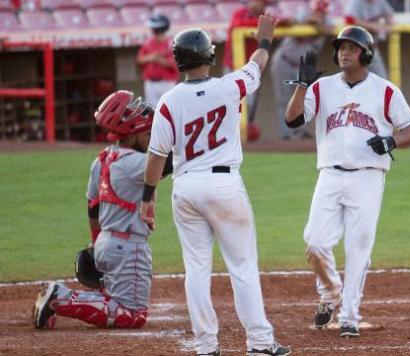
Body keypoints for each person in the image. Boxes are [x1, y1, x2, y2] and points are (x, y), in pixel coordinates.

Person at [139, 15, 291, 356]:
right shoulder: (229, 86)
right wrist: (264, 39)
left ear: (178, 60)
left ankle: (206, 346)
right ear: (209, 56)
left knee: (196, 269)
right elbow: (258, 63)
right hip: (223, 185)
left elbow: (155, 156)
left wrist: (148, 196)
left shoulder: (168, 101)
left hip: (185, 186)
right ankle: (260, 343)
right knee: (242, 266)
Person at [284, 26, 410, 338]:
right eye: (341, 47)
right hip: (329, 174)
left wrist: (391, 142)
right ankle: (331, 291)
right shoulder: (322, 88)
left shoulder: (385, 90)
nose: (344, 52)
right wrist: (303, 86)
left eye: (352, 47)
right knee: (315, 241)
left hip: (368, 178)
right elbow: (291, 120)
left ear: (366, 53)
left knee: (358, 248)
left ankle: (349, 317)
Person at [32, 90, 172, 330]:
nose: (151, 139)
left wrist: (96, 245)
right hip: (128, 248)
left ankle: (57, 299)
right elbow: (168, 162)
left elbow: (93, 208)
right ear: (132, 135)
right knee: (132, 315)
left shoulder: (103, 159)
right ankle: (59, 297)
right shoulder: (134, 163)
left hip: (108, 244)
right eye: (147, 133)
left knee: (118, 304)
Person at [270, 0, 334, 140]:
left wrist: (319, 25)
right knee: (283, 99)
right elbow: (288, 22)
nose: (319, 14)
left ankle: (300, 131)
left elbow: (331, 29)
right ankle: (286, 134)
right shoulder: (303, 14)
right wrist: (306, 22)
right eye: (317, 11)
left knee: (303, 98)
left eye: (321, 12)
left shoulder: (327, 20)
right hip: (284, 61)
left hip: (302, 66)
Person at [223, 0, 280, 142]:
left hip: (251, 69)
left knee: (248, 107)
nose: (264, 6)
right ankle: (228, 139)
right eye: (262, 3)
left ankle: (242, 141)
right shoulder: (241, 14)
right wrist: (261, 27)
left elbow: (275, 24)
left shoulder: (263, 17)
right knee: (230, 104)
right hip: (233, 67)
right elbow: (238, 26)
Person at [137, 14, 179, 108]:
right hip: (151, 83)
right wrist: (151, 57)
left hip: (167, 83)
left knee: (169, 110)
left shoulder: (171, 43)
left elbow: (176, 64)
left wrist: (159, 59)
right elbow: (140, 59)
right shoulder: (148, 43)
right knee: (153, 112)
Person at [343, 0, 394, 79]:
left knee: (381, 81)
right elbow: (348, 19)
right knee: (355, 82)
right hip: (355, 49)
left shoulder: (380, 2)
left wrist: (389, 25)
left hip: (371, 49)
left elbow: (389, 15)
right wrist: (371, 26)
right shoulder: (355, 2)